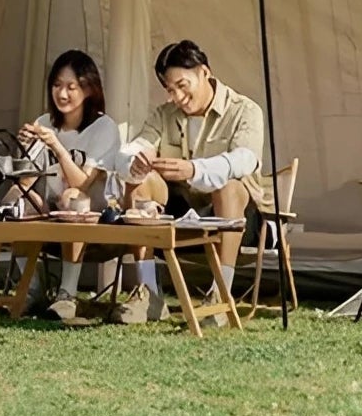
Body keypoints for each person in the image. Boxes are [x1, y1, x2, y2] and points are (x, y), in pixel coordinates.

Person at [111, 39, 265, 326]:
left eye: (183, 85)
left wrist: (193, 169)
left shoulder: (245, 110)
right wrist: (135, 159)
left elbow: (246, 160)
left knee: (229, 187)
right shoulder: (163, 115)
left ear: (204, 72)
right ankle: (149, 294)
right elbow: (135, 147)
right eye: (170, 90)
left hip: (239, 220)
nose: (178, 96)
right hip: (181, 212)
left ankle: (220, 295)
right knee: (139, 180)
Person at [14, 50, 121, 323]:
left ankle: (67, 294)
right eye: (57, 86)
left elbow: (83, 183)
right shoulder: (44, 122)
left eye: (71, 87)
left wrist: (57, 147)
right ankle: (31, 289)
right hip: (49, 204)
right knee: (17, 197)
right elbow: (26, 181)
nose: (62, 94)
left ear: (88, 89)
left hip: (92, 209)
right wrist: (24, 149)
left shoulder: (103, 127)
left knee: (73, 197)